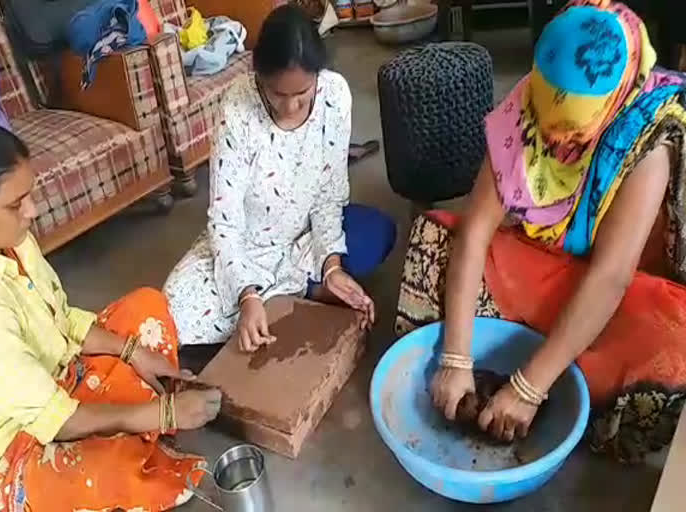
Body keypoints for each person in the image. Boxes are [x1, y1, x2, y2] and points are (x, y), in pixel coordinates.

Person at [396, 0, 686, 462]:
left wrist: (529, 386)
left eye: (571, 134)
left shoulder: (648, 138)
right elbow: (475, 233)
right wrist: (455, 358)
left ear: (610, 109)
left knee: (674, 352)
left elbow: (611, 277)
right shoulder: (534, 98)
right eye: (549, 130)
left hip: (620, 290)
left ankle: (551, 372)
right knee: (431, 244)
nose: (553, 144)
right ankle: (538, 362)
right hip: (548, 266)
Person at [0, 118, 222, 511]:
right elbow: (56, 420)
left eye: (29, 194)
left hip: (57, 379)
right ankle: (133, 440)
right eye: (15, 204)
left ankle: (133, 431)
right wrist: (163, 414)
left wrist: (132, 352)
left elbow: (60, 319)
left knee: (147, 307)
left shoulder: (6, 237)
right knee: (110, 474)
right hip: (13, 449)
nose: (32, 210)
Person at [164, 5, 396, 350]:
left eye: (302, 96)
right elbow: (225, 221)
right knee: (173, 308)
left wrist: (331, 266)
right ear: (259, 77)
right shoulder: (237, 105)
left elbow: (330, 194)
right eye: (277, 95)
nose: (289, 108)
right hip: (250, 243)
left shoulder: (334, 94)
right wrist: (246, 294)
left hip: (305, 235)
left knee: (374, 234)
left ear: (319, 74)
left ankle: (308, 283)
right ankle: (298, 290)